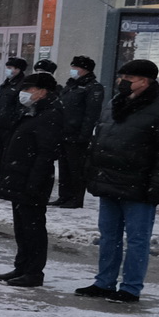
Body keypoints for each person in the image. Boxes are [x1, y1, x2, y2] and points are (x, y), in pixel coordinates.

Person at [76, 59, 159, 303]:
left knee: (137, 239)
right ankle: (104, 282)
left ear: (144, 81)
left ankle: (131, 287)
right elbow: (101, 138)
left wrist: (158, 185)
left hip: (140, 183)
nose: (121, 82)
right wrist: (92, 171)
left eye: (128, 78)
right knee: (108, 236)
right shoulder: (116, 102)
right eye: (121, 77)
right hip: (109, 179)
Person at [0, 73, 62, 287]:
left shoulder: (50, 114)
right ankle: (22, 266)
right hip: (20, 176)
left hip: (32, 180)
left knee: (33, 227)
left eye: (29, 89)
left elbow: (46, 153)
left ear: (42, 92)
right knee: (22, 226)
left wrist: (34, 182)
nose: (24, 93)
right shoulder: (31, 112)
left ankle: (33, 271)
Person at [54, 55, 104, 207]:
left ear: (85, 70)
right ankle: (64, 196)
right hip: (64, 132)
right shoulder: (71, 85)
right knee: (64, 167)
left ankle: (76, 198)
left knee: (76, 169)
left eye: (76, 67)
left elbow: (91, 113)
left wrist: (84, 135)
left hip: (77, 135)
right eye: (72, 67)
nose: (73, 70)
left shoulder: (93, 87)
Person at [0, 57, 29, 200]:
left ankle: (7, 186)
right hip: (1, 127)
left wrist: (13, 124)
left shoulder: (22, 85)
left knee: (8, 158)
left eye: (11, 68)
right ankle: (0, 185)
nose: (8, 70)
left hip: (11, 128)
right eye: (8, 67)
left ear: (18, 69)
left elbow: (20, 108)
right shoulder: (5, 84)